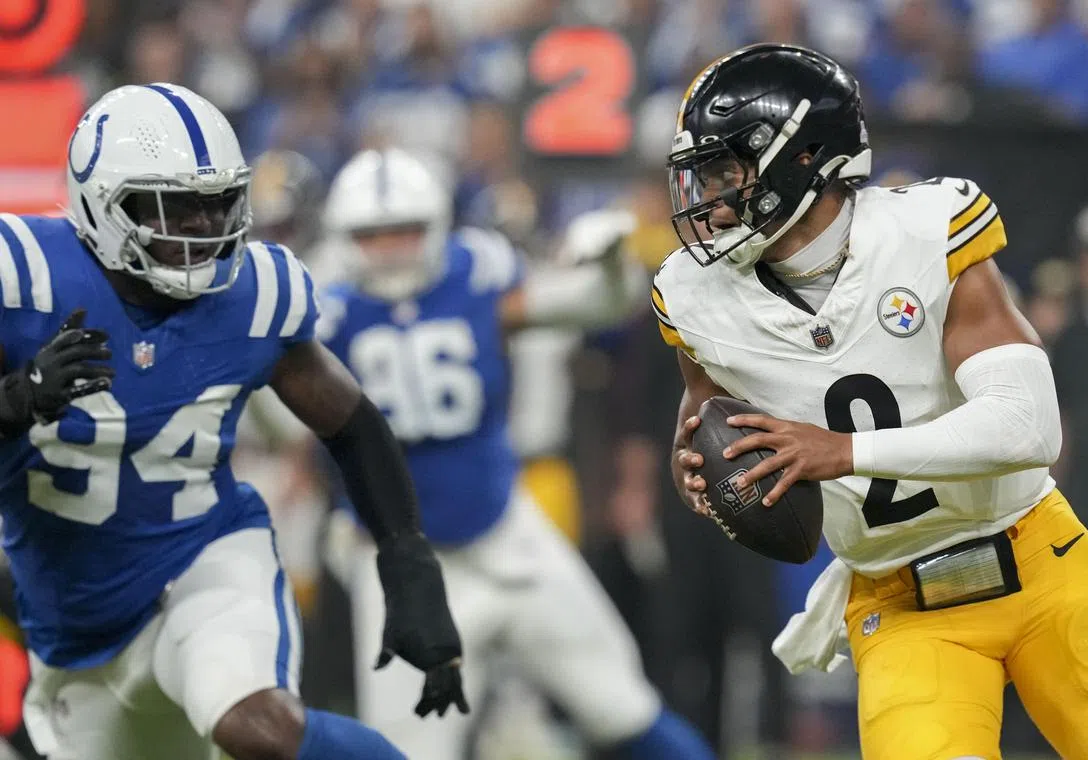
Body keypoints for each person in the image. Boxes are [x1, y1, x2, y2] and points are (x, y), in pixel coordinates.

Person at [654, 44, 1088, 760]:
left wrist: (843, 451)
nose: (709, 199)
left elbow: (1027, 425)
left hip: (1037, 557)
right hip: (900, 600)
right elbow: (701, 427)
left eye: (726, 172)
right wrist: (697, 474)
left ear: (803, 158)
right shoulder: (695, 297)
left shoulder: (922, 231)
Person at [0, 83, 466, 760]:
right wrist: (16, 402)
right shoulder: (27, 282)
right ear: (102, 205)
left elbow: (352, 422)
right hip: (76, 630)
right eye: (174, 207)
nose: (200, 228)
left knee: (260, 724)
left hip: (205, 562)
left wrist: (406, 562)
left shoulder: (255, 293)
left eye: (214, 203)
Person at [316, 147, 716, 760]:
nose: (393, 248)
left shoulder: (476, 275)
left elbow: (603, 304)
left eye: (406, 230)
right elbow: (276, 427)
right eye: (374, 235)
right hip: (405, 568)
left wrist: (610, 268)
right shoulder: (323, 309)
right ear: (345, 238)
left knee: (621, 708)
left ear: (437, 227)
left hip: (506, 534)